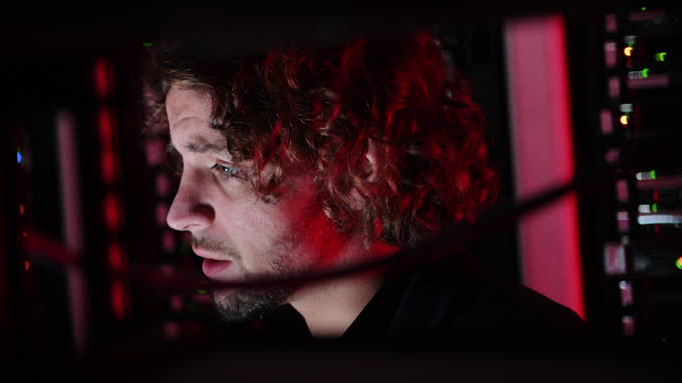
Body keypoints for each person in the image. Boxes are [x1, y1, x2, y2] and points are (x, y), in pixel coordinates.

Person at [143, 25, 588, 342]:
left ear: (359, 165)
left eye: (226, 167)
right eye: (182, 163)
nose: (179, 215)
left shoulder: (521, 356)